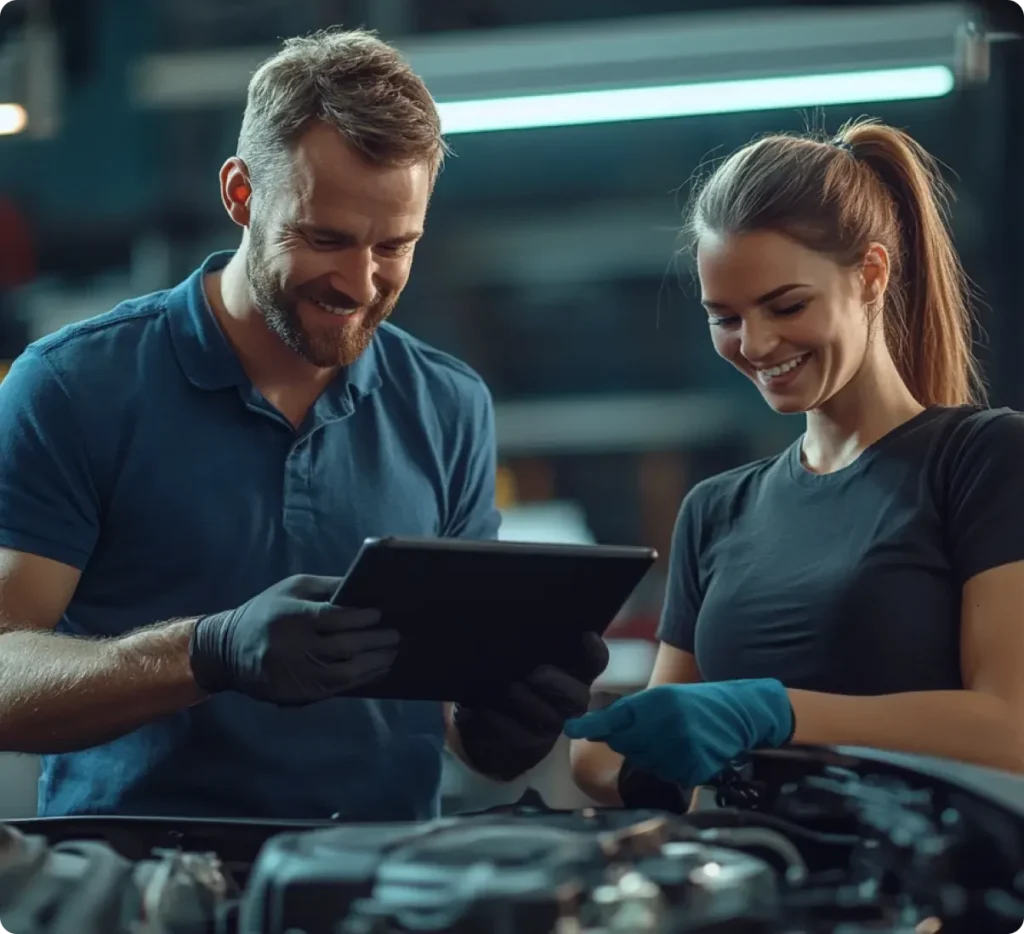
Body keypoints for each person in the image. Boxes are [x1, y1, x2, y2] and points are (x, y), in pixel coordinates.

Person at [0, 28, 606, 821]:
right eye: (326, 239)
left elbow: (463, 722)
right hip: (140, 888)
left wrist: (509, 720)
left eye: (396, 245)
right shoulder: (74, 385)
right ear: (241, 195)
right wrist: (204, 653)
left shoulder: (449, 405)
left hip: (383, 886)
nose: (360, 283)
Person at [567, 118, 1024, 806]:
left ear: (871, 273)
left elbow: (1012, 729)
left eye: (786, 305)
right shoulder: (716, 511)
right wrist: (588, 734)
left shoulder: (981, 459)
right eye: (725, 316)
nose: (754, 343)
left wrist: (778, 713)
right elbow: (639, 760)